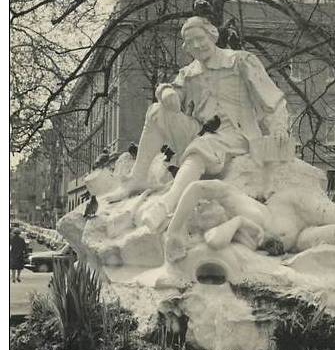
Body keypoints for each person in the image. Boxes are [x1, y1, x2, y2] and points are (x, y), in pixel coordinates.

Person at [108, 16, 292, 233]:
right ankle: (137, 178)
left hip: (236, 135)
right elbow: (173, 91)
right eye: (191, 42)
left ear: (212, 35)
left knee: (203, 146)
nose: (197, 45)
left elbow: (271, 98)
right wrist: (165, 92)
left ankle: (167, 204)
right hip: (202, 132)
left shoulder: (240, 61)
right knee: (157, 111)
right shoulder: (189, 73)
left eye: (200, 38)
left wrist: (279, 126)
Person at [164, 178, 335, 265]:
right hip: (296, 240)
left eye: (201, 210)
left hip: (290, 206)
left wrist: (173, 231)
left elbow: (196, 187)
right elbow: (215, 240)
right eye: (200, 220)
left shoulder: (227, 195)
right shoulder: (235, 232)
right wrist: (236, 222)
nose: (205, 214)